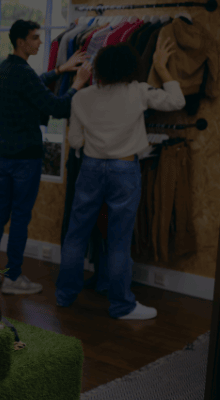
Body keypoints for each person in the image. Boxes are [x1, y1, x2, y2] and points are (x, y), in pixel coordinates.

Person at [56, 38, 184, 319]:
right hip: (124, 170)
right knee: (118, 239)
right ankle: (121, 305)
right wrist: (161, 67)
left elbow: (75, 140)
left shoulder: (81, 97)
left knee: (76, 235)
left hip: (89, 168)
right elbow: (177, 100)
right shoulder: (137, 91)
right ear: (131, 67)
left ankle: (64, 296)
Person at [0, 20, 93, 294]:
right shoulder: (23, 73)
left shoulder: (5, 69)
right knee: (20, 218)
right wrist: (77, 84)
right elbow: (57, 107)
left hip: (4, 156)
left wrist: (58, 70)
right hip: (26, 158)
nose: (40, 42)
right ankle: (14, 278)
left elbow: (33, 85)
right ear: (21, 42)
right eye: (34, 37)